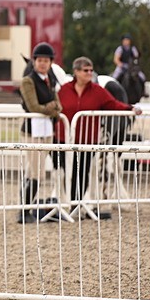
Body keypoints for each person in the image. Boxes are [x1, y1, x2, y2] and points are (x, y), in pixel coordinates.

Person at [57, 56, 141, 217]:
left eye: (90, 70)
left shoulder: (98, 91)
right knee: (68, 171)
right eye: (85, 70)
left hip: (88, 140)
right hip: (66, 138)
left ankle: (78, 203)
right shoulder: (65, 90)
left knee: (83, 171)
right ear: (76, 72)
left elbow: (113, 104)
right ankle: (72, 203)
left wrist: (130, 108)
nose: (89, 73)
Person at [16, 42, 61, 223]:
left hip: (46, 130)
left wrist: (51, 108)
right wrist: (52, 108)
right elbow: (33, 106)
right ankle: (24, 210)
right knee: (37, 173)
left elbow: (59, 105)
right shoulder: (28, 81)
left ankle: (26, 207)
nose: (43, 63)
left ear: (50, 62)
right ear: (34, 62)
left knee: (32, 171)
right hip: (32, 131)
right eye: (39, 60)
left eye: (46, 60)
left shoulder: (50, 80)